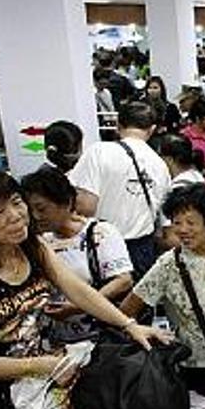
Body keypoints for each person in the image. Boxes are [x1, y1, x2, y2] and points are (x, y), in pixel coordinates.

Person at [0, 167, 172, 409]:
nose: (15, 216)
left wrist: (129, 324)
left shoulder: (32, 247)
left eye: (17, 202)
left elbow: (77, 289)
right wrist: (41, 365)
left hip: (35, 398)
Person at [120, 184, 205, 398]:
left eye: (191, 222)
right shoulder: (168, 265)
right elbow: (126, 310)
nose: (182, 229)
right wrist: (145, 332)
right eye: (177, 222)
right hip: (194, 371)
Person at [68, 101, 172, 281]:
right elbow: (165, 225)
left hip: (101, 249)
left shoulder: (99, 152)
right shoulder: (160, 165)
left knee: (101, 305)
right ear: (152, 129)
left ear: (118, 125)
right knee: (136, 306)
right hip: (142, 251)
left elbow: (85, 206)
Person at [21, 166, 133, 311]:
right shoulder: (39, 240)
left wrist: (79, 306)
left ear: (66, 203)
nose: (36, 216)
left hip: (95, 326)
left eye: (42, 209)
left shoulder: (100, 232)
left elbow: (123, 281)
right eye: (30, 210)